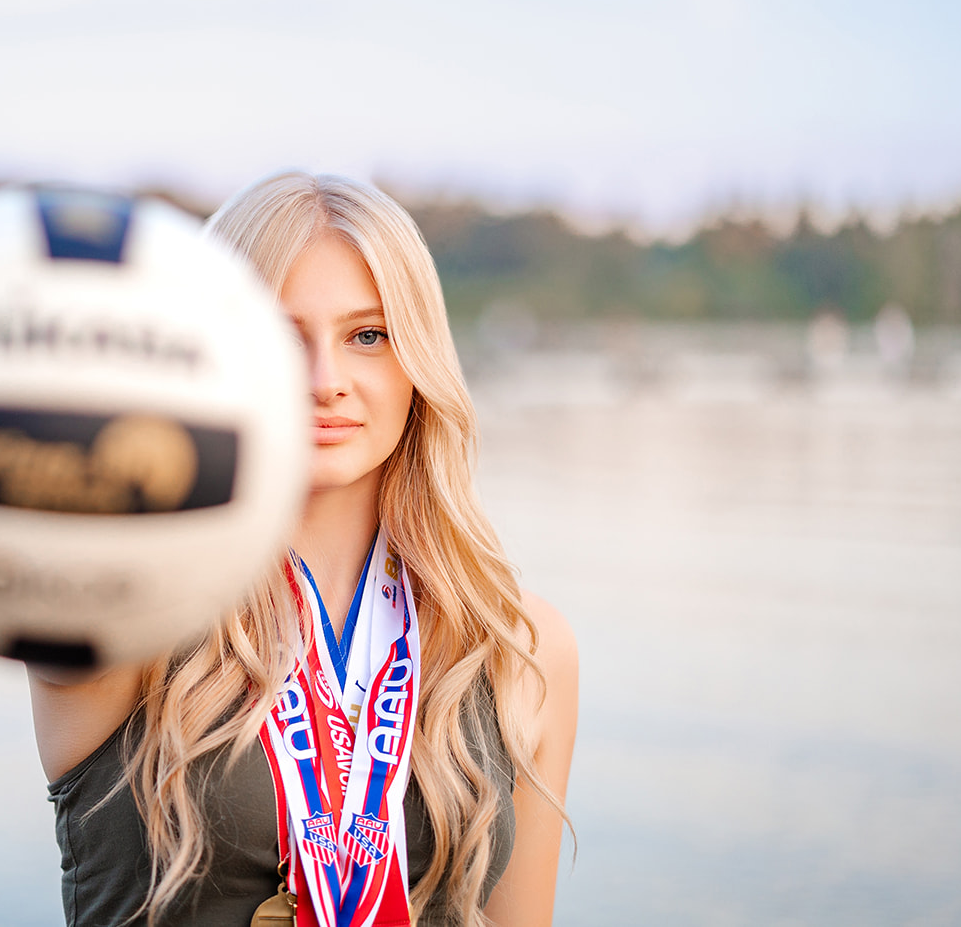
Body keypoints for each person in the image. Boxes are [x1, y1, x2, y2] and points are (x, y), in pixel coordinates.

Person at [30, 172, 578, 927]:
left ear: (417, 361)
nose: (326, 381)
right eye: (277, 338)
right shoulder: (132, 606)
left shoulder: (523, 646)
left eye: (368, 335)